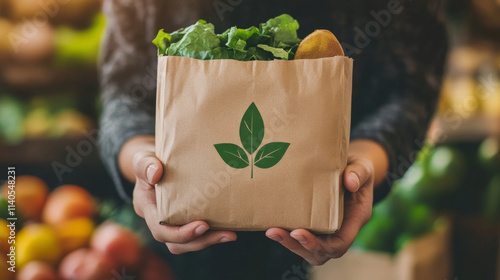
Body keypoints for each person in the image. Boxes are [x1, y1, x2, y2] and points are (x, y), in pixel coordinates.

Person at [98, 0, 447, 279]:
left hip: (328, 253)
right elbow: (124, 97)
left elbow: (409, 89)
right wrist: (143, 162)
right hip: (171, 263)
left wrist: (364, 164)